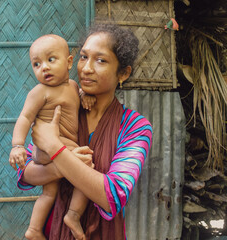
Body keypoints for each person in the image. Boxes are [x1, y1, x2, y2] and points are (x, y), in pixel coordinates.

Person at [17, 23, 153, 240]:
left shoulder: (135, 127)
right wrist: (62, 164)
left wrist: (55, 148)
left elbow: (112, 195)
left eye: (101, 60)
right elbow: (25, 172)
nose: (87, 68)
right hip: (54, 231)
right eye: (83, 57)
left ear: (123, 73)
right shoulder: (61, 108)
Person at [9, 34, 94, 240]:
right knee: (86, 169)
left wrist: (85, 95)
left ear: (69, 62)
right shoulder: (40, 92)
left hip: (58, 149)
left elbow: (79, 94)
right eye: (36, 64)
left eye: (50, 60)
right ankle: (73, 215)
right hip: (48, 149)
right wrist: (17, 146)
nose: (44, 67)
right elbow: (25, 118)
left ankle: (34, 230)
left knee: (48, 193)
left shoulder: (74, 86)